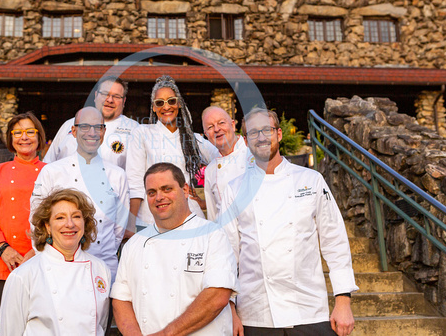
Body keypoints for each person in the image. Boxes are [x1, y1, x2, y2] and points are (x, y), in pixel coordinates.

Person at [219, 108, 358, 336]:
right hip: (256, 312)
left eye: (267, 130)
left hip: (309, 308)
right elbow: (227, 255)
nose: (261, 137)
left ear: (279, 134)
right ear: (245, 141)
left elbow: (336, 243)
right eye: (253, 132)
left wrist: (343, 301)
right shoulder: (234, 189)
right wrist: (231, 310)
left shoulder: (310, 180)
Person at [111, 162, 238, 335]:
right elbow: (121, 300)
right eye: (152, 192)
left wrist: (165, 334)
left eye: (167, 189)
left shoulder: (212, 235)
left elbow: (217, 296)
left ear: (185, 190)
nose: (159, 197)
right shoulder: (134, 244)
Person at [31, 106, 129, 281]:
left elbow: (118, 229)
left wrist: (104, 250)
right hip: (60, 265)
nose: (91, 133)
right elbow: (36, 219)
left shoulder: (118, 175)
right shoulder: (52, 171)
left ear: (104, 132)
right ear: (74, 132)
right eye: (84, 127)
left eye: (97, 127)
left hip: (104, 266)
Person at [0, 188, 111, 335]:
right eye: (60, 218)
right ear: (47, 227)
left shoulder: (101, 269)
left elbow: (101, 324)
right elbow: (10, 332)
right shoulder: (23, 275)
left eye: (76, 216)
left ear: (85, 223)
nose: (70, 224)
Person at [0, 112, 47, 321]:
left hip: (41, 258)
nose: (23, 137)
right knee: (9, 325)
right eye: (17, 132)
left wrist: (39, 250)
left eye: (29, 132)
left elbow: (58, 217)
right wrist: (3, 248)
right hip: (3, 261)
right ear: (10, 138)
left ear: (39, 136)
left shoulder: (51, 172)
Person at [126, 75, 219, 228]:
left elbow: (221, 158)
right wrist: (130, 223)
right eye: (160, 103)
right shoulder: (142, 133)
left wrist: (206, 202)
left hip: (187, 215)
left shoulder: (193, 139)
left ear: (179, 104)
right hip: (151, 218)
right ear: (154, 107)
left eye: (171, 101)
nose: (166, 107)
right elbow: (135, 181)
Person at [44, 76, 139, 169]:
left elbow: (138, 174)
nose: (110, 100)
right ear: (96, 95)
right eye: (105, 94)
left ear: (124, 101)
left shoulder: (134, 129)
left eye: (116, 96)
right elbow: (47, 164)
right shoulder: (69, 124)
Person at [201, 106, 253, 221]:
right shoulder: (210, 170)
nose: (216, 129)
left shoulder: (254, 153)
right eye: (210, 127)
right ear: (206, 135)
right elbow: (213, 215)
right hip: (228, 236)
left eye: (221, 123)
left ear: (233, 125)